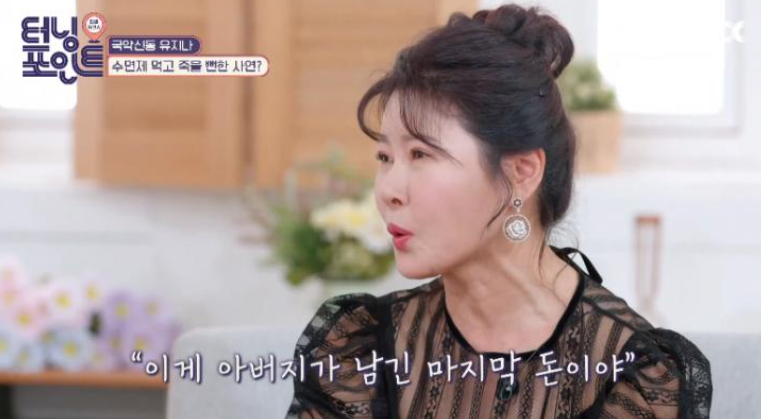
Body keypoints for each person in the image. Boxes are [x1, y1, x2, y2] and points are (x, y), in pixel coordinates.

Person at [285, 4, 713, 418]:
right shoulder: (358, 347)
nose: (388, 191)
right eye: (385, 158)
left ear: (521, 172)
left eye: (419, 154)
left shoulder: (634, 374)